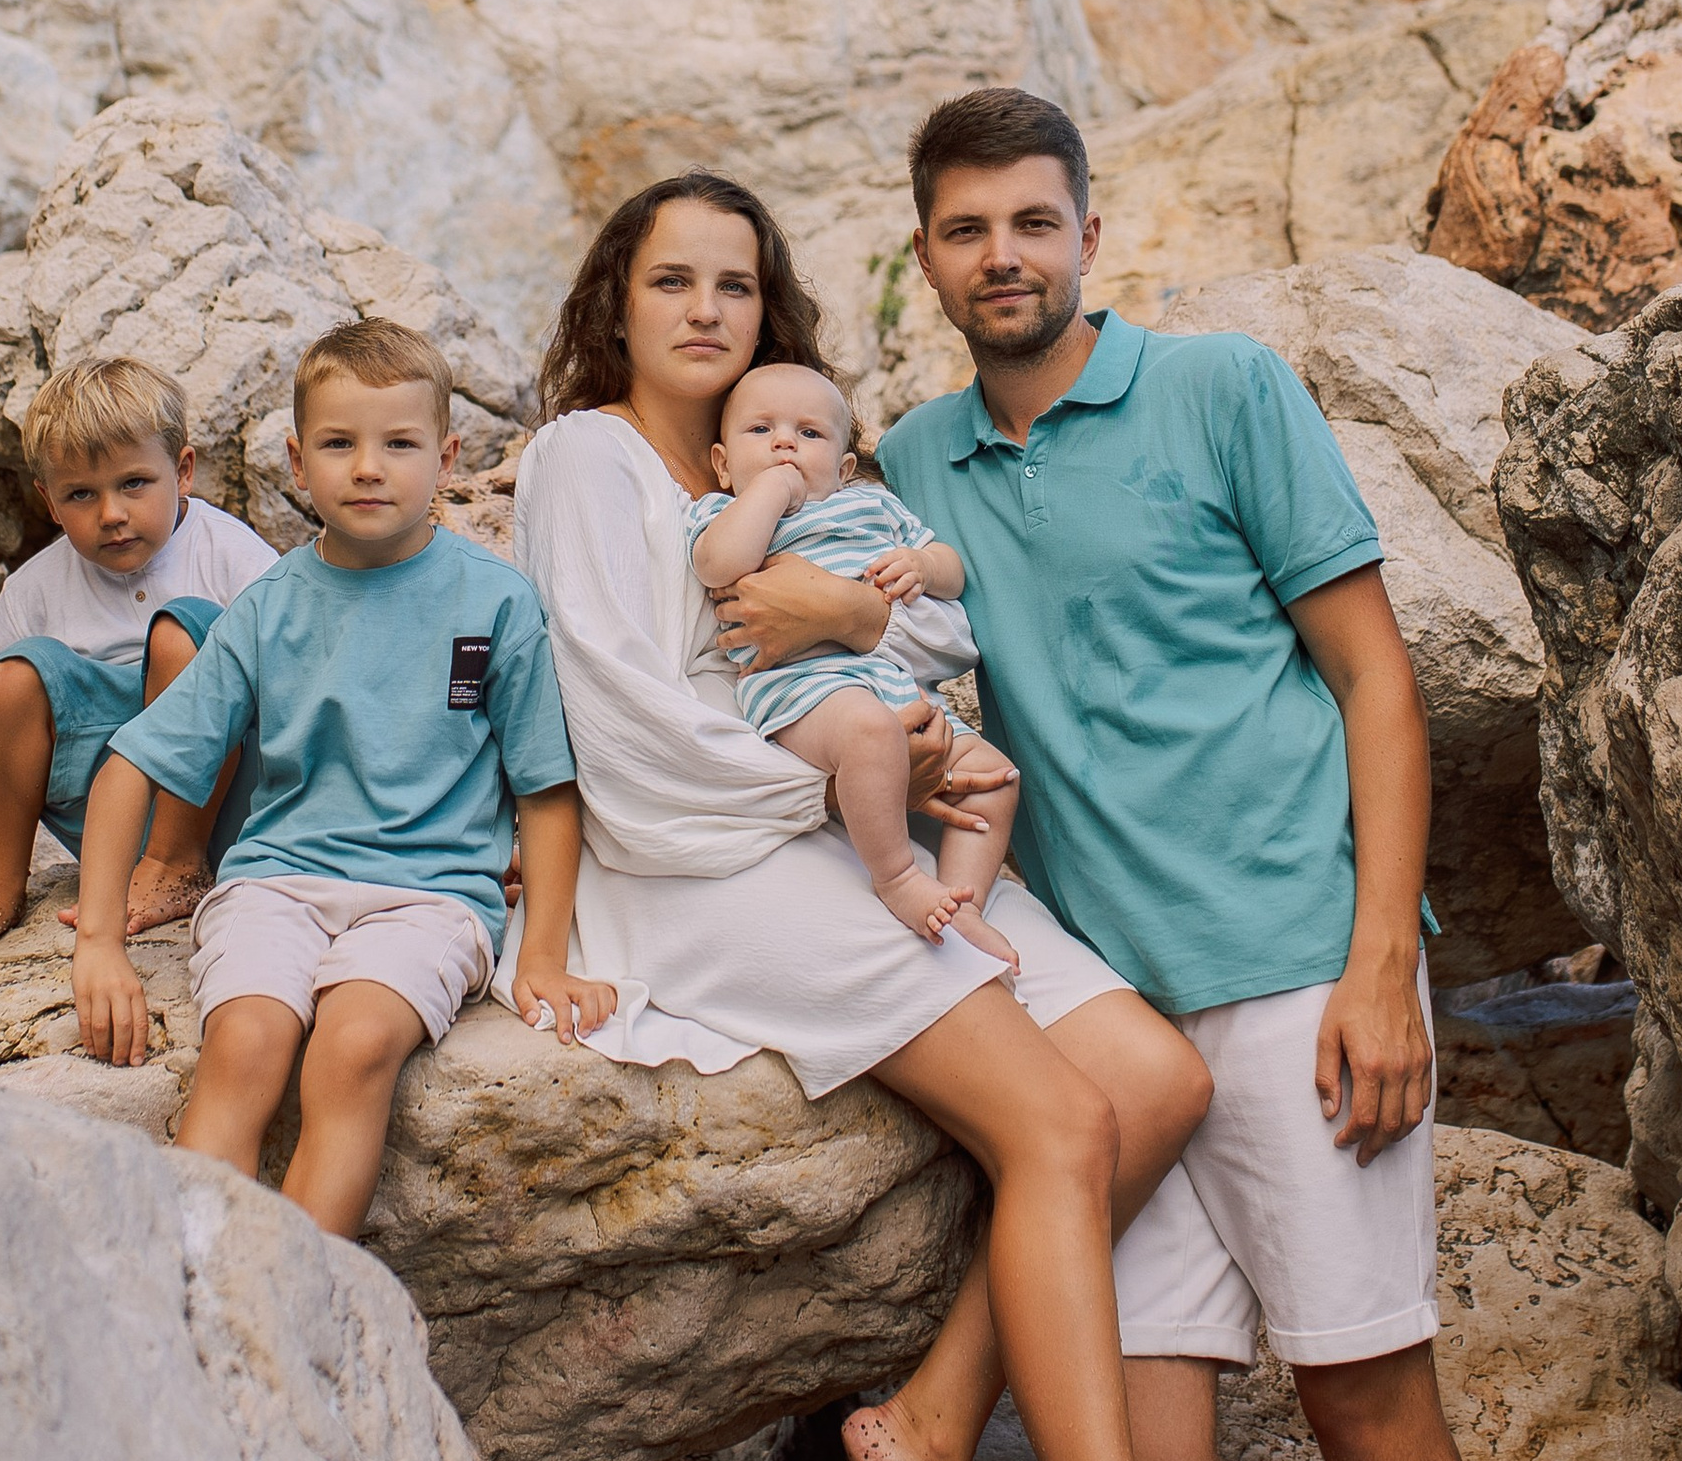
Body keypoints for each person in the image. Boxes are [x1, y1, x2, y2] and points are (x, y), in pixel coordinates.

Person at [513, 173, 1216, 1461]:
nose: (707, 308)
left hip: (862, 813)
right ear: (616, 302)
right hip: (710, 856)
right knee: (1061, 1123)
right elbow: (617, 715)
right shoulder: (585, 456)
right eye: (671, 279)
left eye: (735, 282)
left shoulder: (798, 445)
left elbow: (934, 616)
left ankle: (932, 1419)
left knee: (1156, 1082)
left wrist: (878, 683)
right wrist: (853, 769)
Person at [877, 90, 1460, 1461]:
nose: (1003, 254)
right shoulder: (907, 465)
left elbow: (1378, 681)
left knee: (1362, 1400)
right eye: (967, 230)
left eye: (1032, 221)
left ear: (1090, 229)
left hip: (1295, 969)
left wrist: (1380, 970)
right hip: (1109, 1028)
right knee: (1137, 1418)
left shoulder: (1224, 388)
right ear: (926, 259)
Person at [69, 319, 614, 1239]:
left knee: (351, 1051)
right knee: (245, 1044)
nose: (369, 468)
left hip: (431, 897)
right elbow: (133, 762)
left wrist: (545, 954)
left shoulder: (494, 601)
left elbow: (546, 790)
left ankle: (298, 1308)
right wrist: (98, 941)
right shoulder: (271, 606)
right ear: (296, 460)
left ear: (445, 457)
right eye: (338, 443)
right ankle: (192, 1294)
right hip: (277, 883)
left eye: (399, 444)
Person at [0, 355, 274, 971]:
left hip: (223, 805)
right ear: (50, 504)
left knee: (180, 634)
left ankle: (174, 863)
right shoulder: (41, 584)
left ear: (183, 471)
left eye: (134, 483)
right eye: (81, 494)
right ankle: (2, 887)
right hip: (105, 827)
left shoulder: (231, 556)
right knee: (12, 677)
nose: (110, 513)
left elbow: (302, 675)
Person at [687, 361, 1019, 963]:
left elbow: (949, 565)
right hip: (803, 690)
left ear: (842, 468)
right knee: (869, 735)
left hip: (892, 682)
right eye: (761, 431)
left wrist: (924, 567)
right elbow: (717, 565)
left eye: (809, 434)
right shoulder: (723, 512)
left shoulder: (871, 506)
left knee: (996, 779)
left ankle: (965, 902)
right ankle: (896, 877)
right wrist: (769, 490)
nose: (785, 443)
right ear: (722, 463)